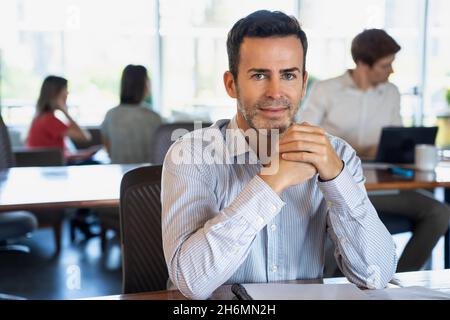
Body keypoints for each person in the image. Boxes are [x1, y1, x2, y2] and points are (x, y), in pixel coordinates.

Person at [161, 10, 397, 300]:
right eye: (259, 75)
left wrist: (336, 177)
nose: (275, 92)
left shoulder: (336, 155)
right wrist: (271, 182)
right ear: (231, 84)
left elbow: (376, 275)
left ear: (303, 82)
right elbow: (191, 283)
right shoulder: (191, 155)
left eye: (288, 75)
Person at [300, 29, 450, 272]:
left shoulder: (390, 92)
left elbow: (399, 137)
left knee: (439, 212)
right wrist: (356, 147)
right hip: (339, 187)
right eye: (385, 65)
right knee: (331, 219)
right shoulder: (326, 90)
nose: (391, 71)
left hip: (385, 186)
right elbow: (307, 134)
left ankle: (396, 280)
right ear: (362, 64)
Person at [101, 65, 162, 164]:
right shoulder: (154, 118)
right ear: (144, 84)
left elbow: (108, 150)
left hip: (119, 175)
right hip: (148, 175)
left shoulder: (110, 115)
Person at [26, 75, 93, 163]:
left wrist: (80, 154)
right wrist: (65, 112)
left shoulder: (42, 118)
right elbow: (85, 137)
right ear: (56, 93)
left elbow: (58, 153)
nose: (67, 93)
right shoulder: (49, 120)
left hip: (52, 162)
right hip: (53, 165)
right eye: (65, 89)